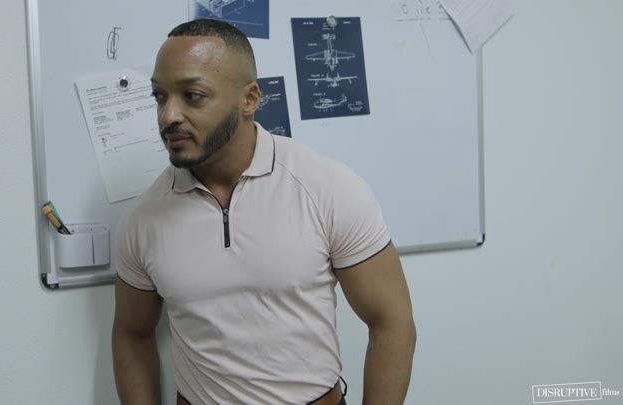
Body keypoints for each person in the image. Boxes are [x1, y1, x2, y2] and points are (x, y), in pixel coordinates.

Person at [112, 18, 416, 405]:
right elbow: (132, 333)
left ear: (250, 99)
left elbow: (392, 321)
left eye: (192, 95)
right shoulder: (144, 218)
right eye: (160, 96)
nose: (168, 115)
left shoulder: (327, 188)